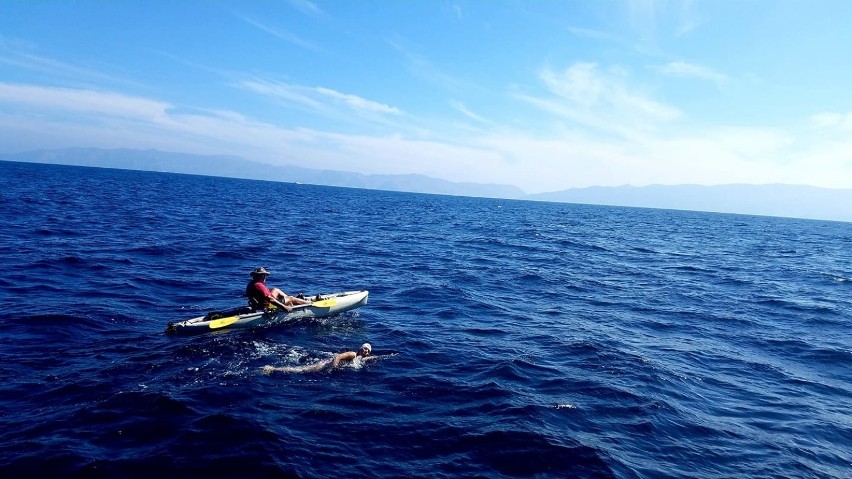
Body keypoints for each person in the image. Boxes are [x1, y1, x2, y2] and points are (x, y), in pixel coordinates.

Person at [262, 343, 376, 374]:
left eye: (368, 351)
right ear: (360, 348)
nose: (366, 351)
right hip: (326, 364)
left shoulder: (360, 358)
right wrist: (334, 367)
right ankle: (272, 368)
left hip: (328, 365)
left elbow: (370, 358)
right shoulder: (353, 354)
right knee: (301, 370)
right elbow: (338, 357)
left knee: (302, 369)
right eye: (365, 348)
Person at [245, 266, 312, 311]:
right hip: (268, 306)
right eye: (263, 275)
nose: (265, 277)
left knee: (275, 290)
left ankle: (290, 301)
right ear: (259, 276)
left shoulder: (251, 284)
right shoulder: (259, 285)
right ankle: (309, 303)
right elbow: (270, 299)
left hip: (261, 303)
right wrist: (284, 307)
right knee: (291, 298)